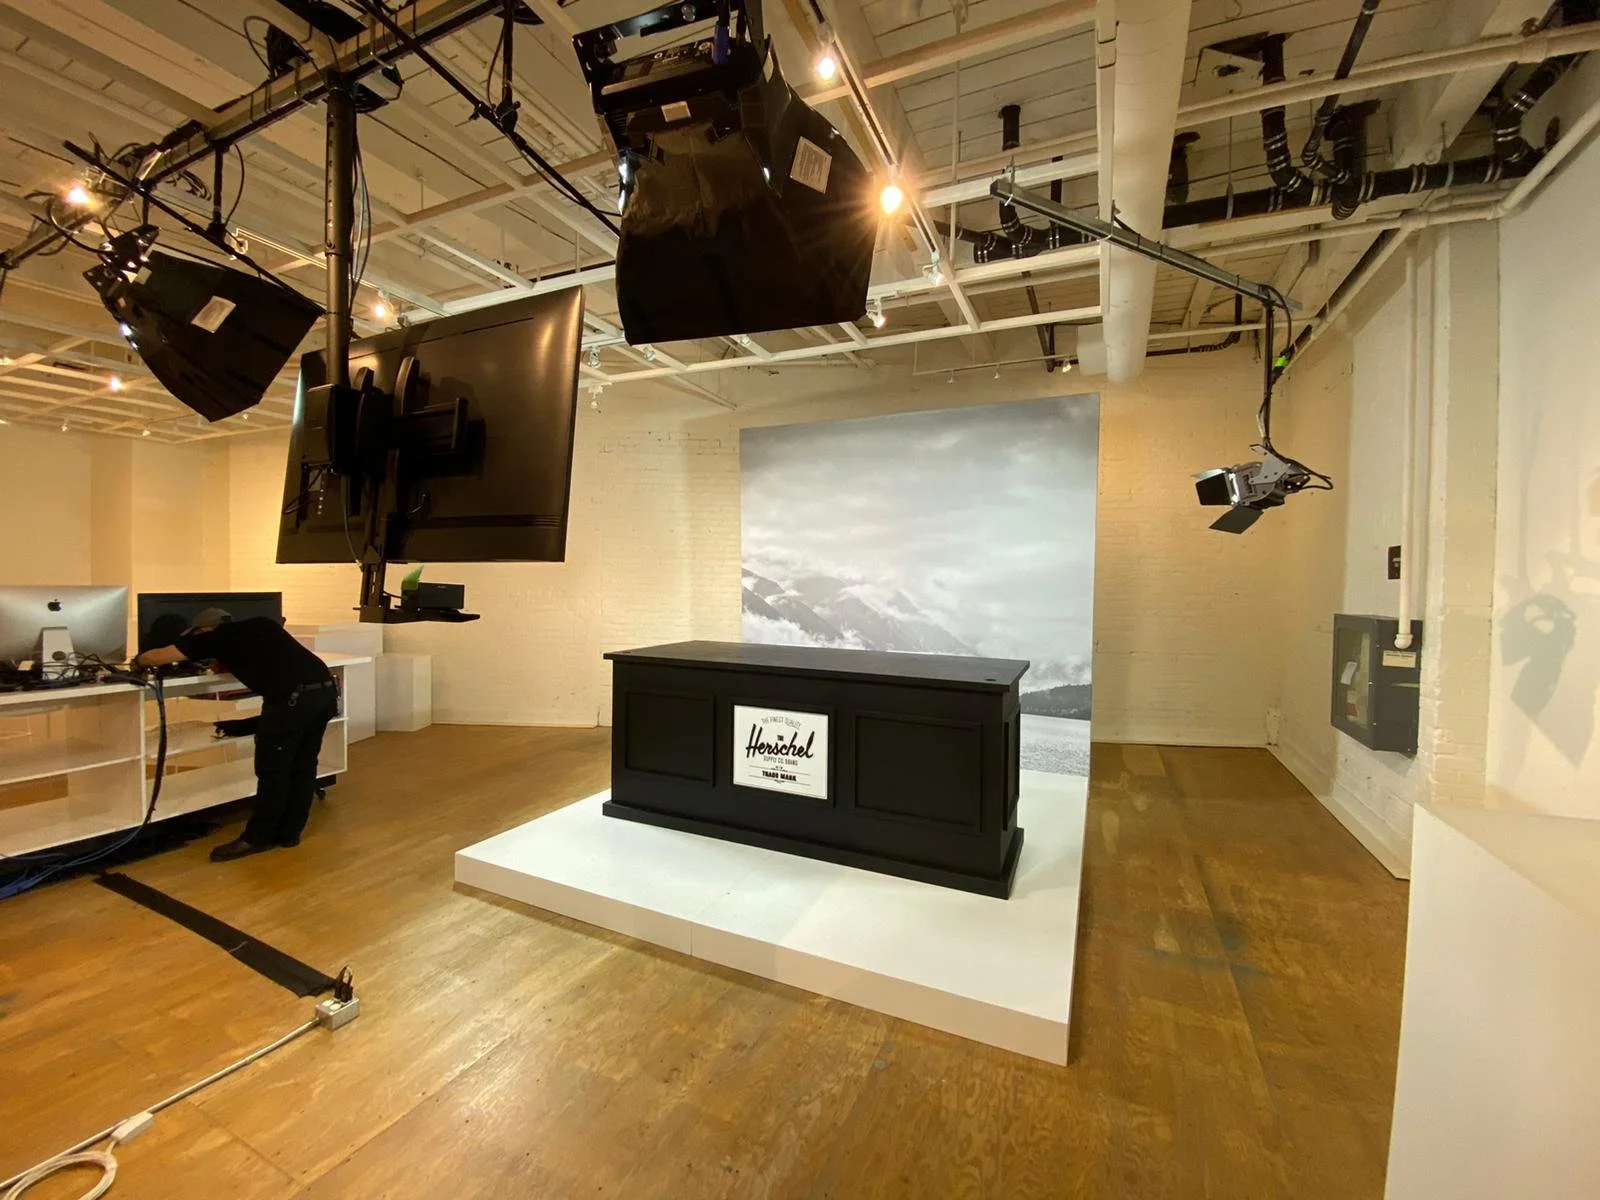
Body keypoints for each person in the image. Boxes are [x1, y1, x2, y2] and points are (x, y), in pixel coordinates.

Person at [133, 608, 339, 862]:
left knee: (273, 770)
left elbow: (158, 656)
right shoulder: (262, 623)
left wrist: (138, 662)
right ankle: (289, 834)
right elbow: (250, 658)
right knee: (303, 766)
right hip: (325, 694)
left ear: (202, 630)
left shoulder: (214, 637)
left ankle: (258, 838)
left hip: (293, 702)